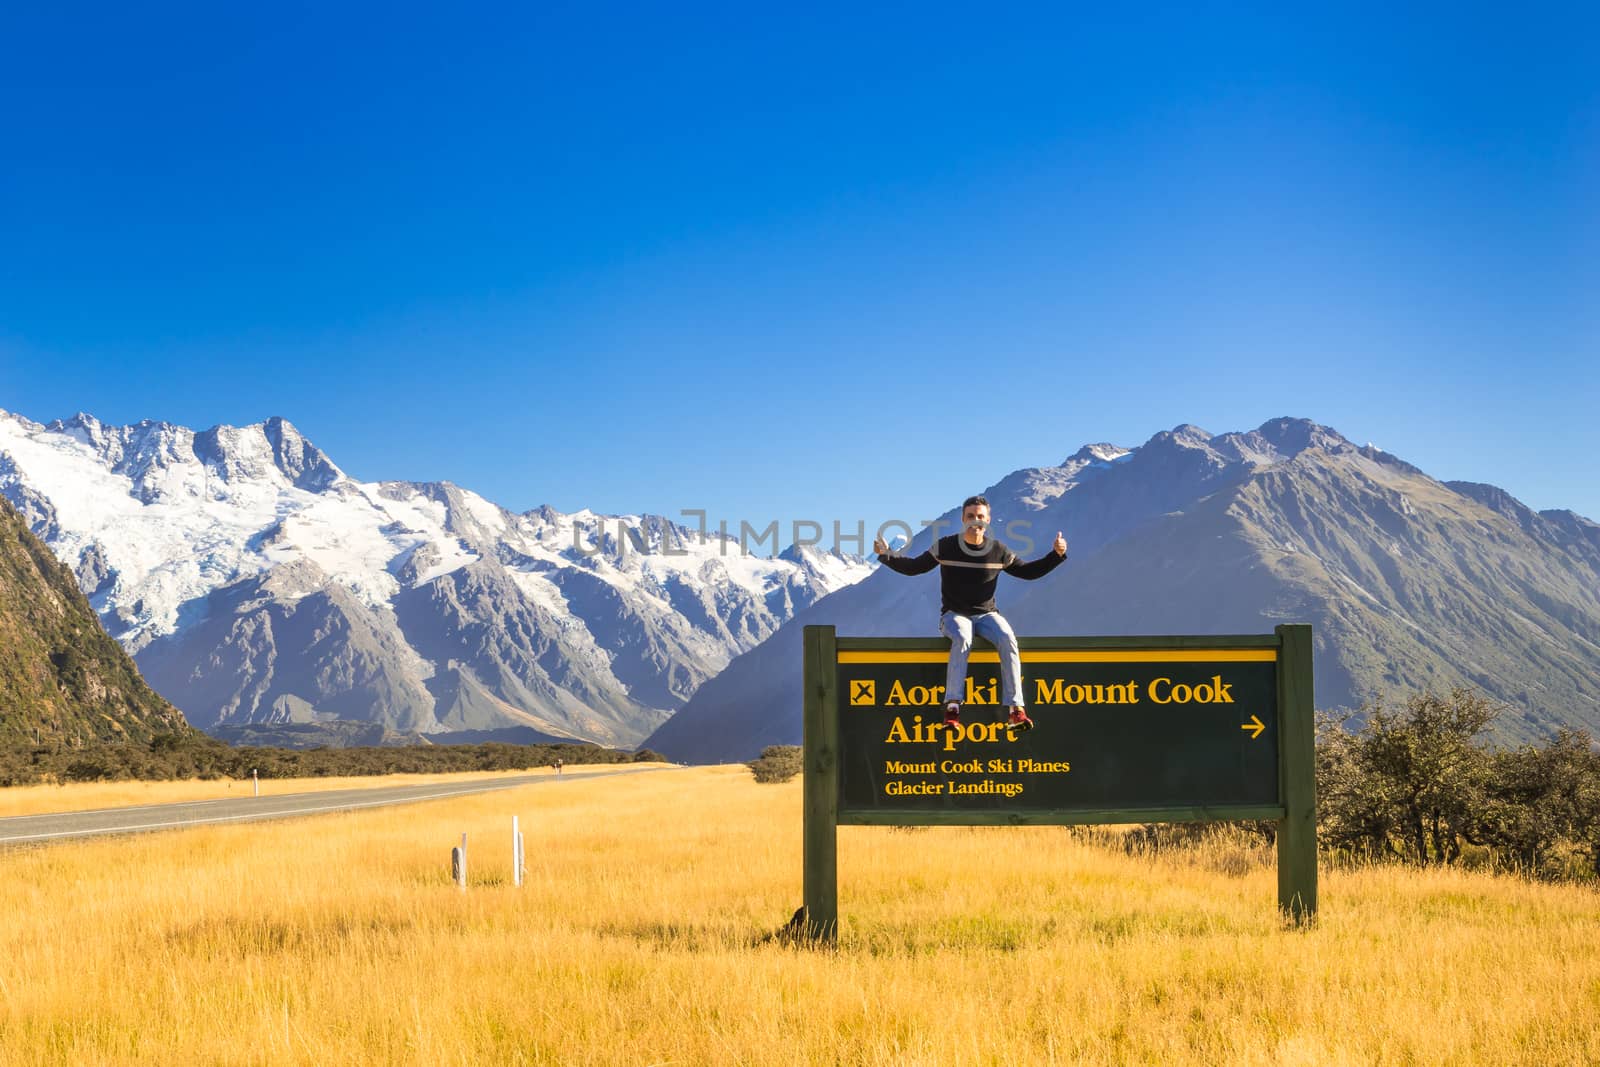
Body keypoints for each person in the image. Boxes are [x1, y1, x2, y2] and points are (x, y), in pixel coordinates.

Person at [874, 496, 1067, 730]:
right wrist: (885, 556)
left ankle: (1016, 711)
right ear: (963, 519)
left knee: (1007, 638)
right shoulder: (945, 546)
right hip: (953, 615)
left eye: (980, 517)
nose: (976, 521)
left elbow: (1028, 572)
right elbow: (915, 567)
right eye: (971, 516)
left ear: (988, 520)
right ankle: (952, 708)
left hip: (987, 615)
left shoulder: (998, 551)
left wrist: (1055, 556)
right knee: (963, 636)